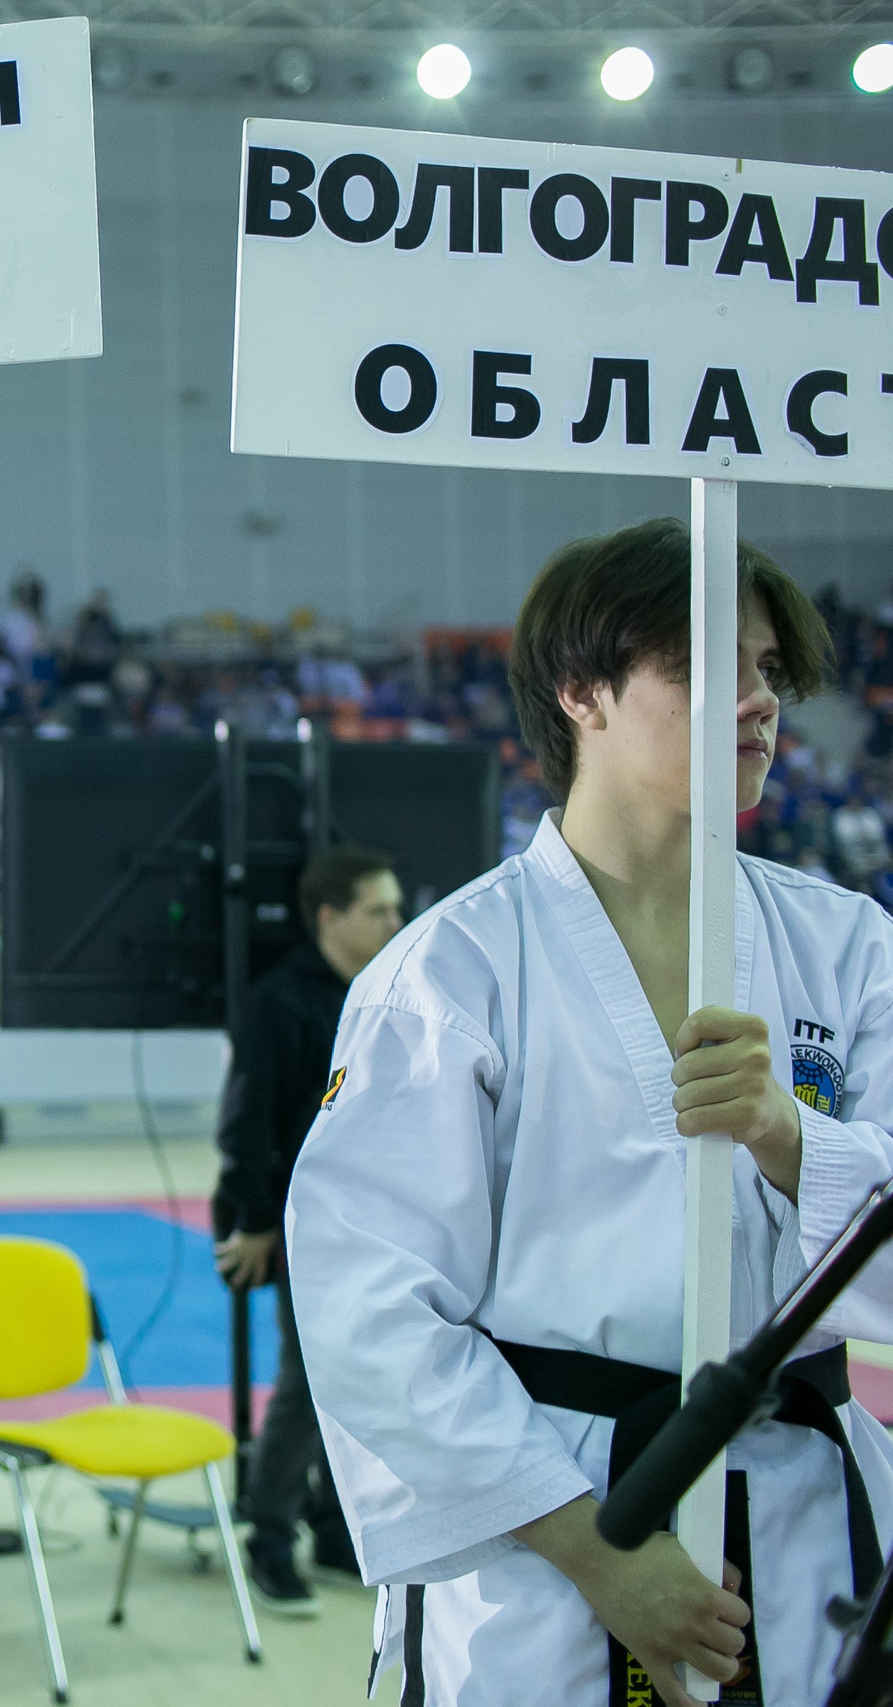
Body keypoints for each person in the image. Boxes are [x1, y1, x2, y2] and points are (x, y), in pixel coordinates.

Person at [289, 517, 893, 1706]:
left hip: (804, 1509)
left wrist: (788, 1139)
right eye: (713, 665)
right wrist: (598, 1550)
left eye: (770, 671)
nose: (761, 701)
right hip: (550, 1528)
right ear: (582, 692)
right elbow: (371, 1311)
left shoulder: (849, 947)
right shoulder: (450, 971)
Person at [211, 845, 405, 1615]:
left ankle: (332, 1525)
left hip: (368, 1218)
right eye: (379, 908)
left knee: (351, 1376)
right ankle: (268, 1536)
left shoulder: (383, 990)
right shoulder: (278, 1001)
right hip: (295, 1222)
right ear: (331, 916)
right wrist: (258, 1221)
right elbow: (246, 1122)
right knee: (308, 1382)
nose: (397, 920)